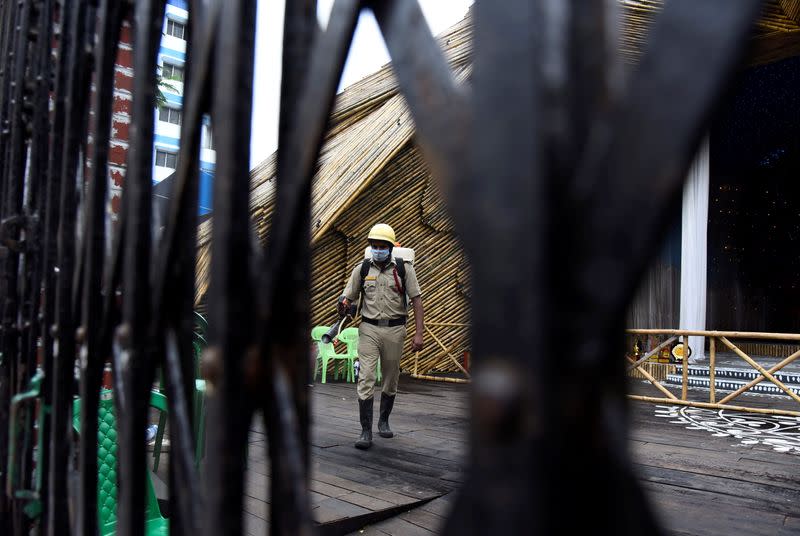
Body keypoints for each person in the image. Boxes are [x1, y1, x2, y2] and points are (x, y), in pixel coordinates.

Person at [339, 223, 424, 449]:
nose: (377, 249)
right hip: (368, 329)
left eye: (382, 246)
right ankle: (365, 431)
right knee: (366, 376)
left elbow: (416, 300)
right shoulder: (363, 269)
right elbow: (349, 297)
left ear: (389, 247)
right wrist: (344, 304)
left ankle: (383, 421)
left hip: (396, 330)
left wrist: (419, 333)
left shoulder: (404, 269)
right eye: (374, 246)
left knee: (390, 377)